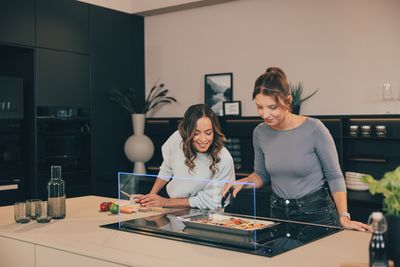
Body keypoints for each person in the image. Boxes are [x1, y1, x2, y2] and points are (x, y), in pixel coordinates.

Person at [223, 67, 369, 231]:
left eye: (272, 107)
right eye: (260, 107)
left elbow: (334, 176)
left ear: (288, 100)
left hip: (316, 214)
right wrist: (241, 182)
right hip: (278, 213)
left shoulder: (314, 129)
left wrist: (344, 215)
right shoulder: (260, 132)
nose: (265, 114)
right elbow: (261, 175)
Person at [136, 104, 235, 209]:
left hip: (207, 214)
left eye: (208, 133)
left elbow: (212, 201)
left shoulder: (224, 158)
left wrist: (164, 202)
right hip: (174, 207)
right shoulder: (176, 139)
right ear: (187, 132)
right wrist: (150, 197)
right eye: (196, 133)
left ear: (215, 132)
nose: (203, 139)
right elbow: (167, 168)